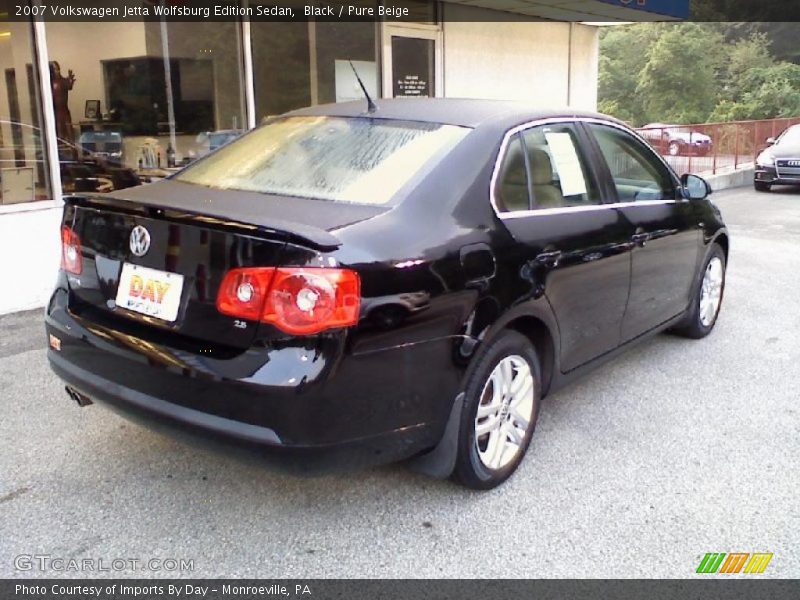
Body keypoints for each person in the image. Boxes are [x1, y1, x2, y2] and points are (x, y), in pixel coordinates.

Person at [50, 61, 76, 143]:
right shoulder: (50, 83)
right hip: (55, 111)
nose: (57, 71)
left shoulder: (63, 81)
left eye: (58, 69)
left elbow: (69, 86)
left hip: (64, 110)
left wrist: (70, 81)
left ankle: (72, 151)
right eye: (55, 69)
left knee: (69, 133)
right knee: (59, 133)